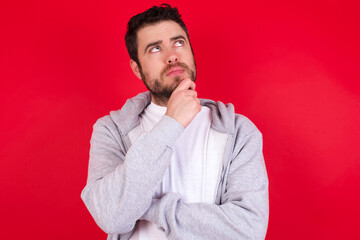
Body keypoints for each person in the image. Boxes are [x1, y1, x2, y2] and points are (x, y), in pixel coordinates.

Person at [81, 4, 269, 240]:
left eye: (179, 43)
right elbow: (111, 216)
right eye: (155, 48)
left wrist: (149, 209)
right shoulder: (111, 131)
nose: (172, 55)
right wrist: (171, 123)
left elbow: (248, 231)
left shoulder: (238, 131)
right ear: (137, 69)